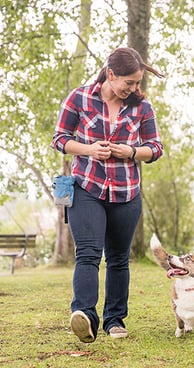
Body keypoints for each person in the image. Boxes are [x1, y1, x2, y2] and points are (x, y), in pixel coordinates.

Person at [51, 47, 164, 342]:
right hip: (87, 186)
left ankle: (115, 320)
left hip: (127, 192)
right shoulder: (80, 97)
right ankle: (84, 315)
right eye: (129, 82)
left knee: (118, 258)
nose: (134, 88)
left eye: (137, 83)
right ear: (111, 75)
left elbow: (156, 148)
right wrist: (89, 149)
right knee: (88, 254)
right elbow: (60, 139)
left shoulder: (143, 108)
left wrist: (132, 152)